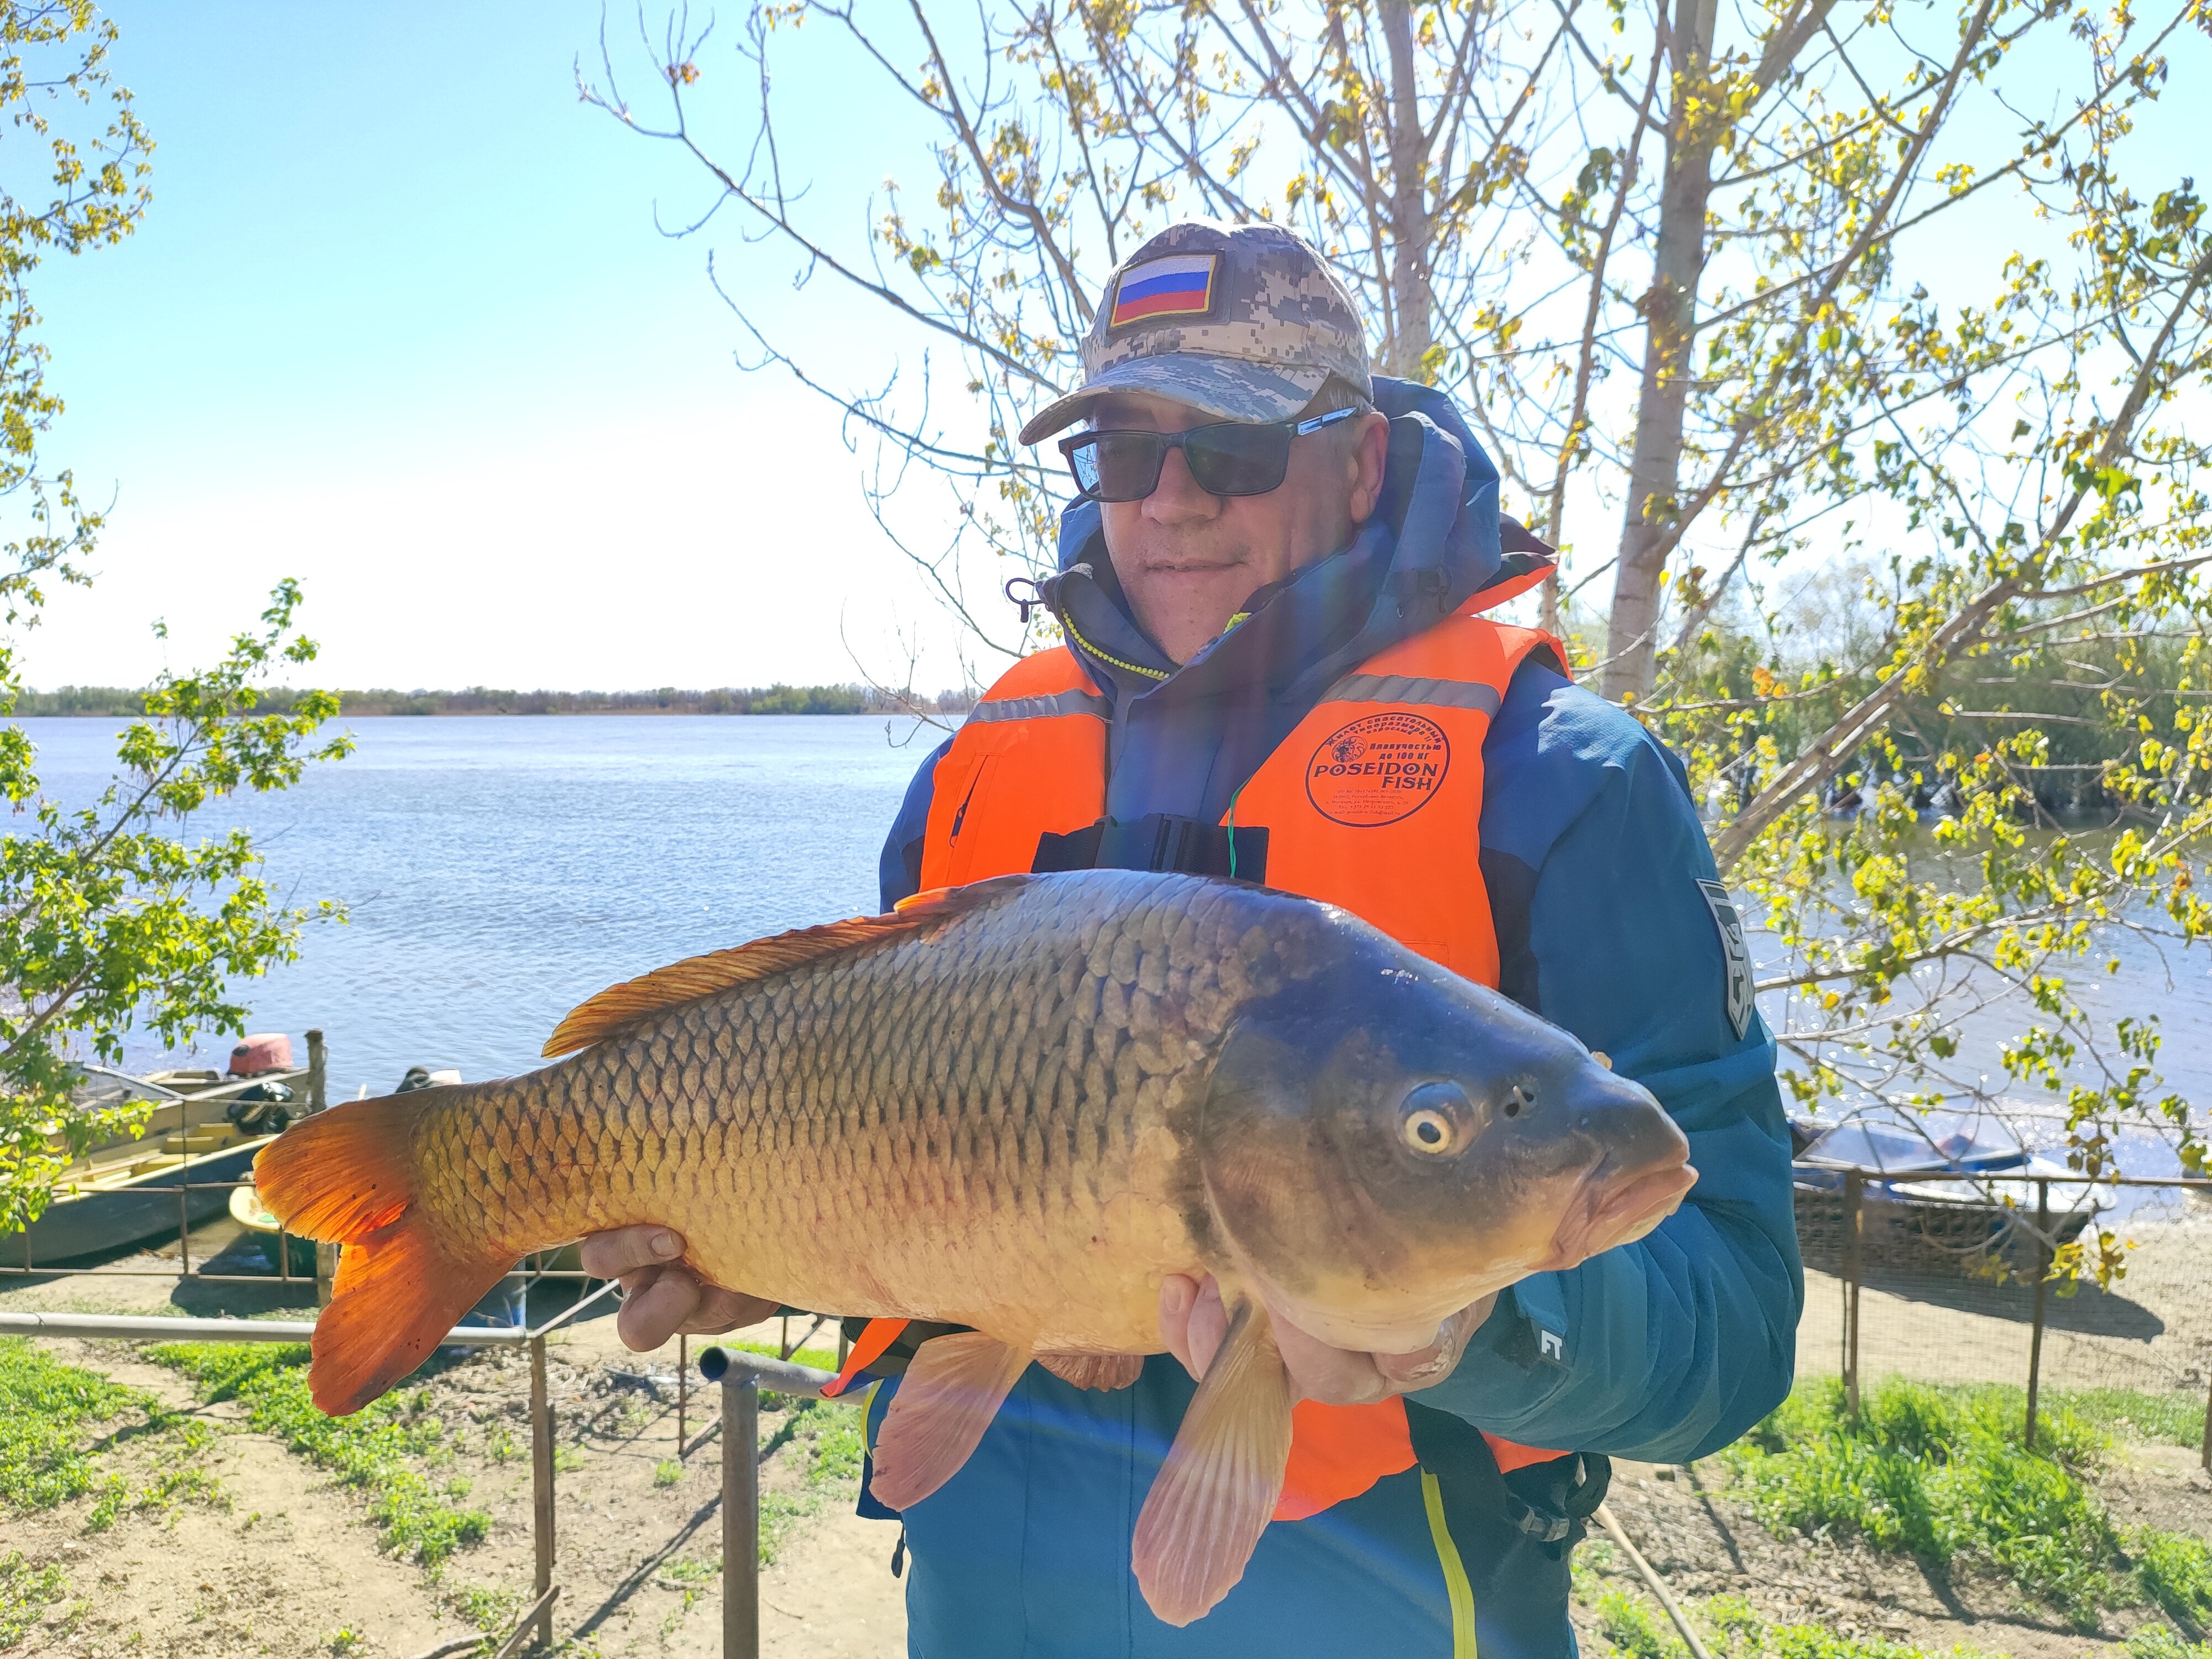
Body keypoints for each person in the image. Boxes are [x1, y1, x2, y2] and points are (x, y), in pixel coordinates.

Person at [581, 218, 1802, 1656]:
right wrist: (767, 1241)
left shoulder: (1560, 782)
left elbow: (1729, 1327)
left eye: (1229, 449)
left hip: (1376, 1604)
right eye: (1124, 450)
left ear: (1355, 457)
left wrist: (1479, 1322)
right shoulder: (974, 770)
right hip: (989, 1592)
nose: (1169, 501)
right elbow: (897, 1178)